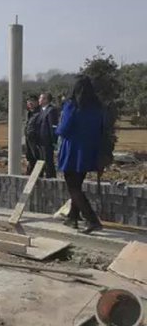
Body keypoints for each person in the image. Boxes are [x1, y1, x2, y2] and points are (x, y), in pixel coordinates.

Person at [56, 76, 104, 234]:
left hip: (73, 149)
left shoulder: (72, 105)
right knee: (77, 184)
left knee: (73, 187)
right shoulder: (97, 107)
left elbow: (64, 129)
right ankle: (73, 217)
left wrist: (57, 129)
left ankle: (92, 219)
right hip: (89, 150)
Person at [37, 92, 59, 178]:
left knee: (48, 161)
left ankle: (51, 178)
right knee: (42, 160)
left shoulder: (51, 110)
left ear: (46, 100)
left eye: (41, 98)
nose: (39, 100)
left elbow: (52, 126)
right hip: (41, 141)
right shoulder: (41, 110)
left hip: (47, 141)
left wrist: (53, 140)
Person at [24, 95, 41, 175]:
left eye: (32, 101)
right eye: (28, 102)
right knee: (30, 158)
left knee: (37, 157)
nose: (30, 103)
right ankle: (29, 174)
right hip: (28, 139)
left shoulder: (40, 113)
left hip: (36, 140)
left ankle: (38, 174)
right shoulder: (29, 113)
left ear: (37, 102)